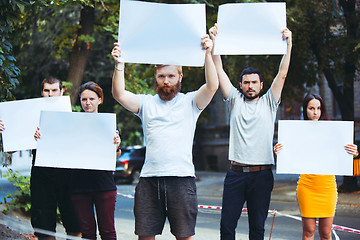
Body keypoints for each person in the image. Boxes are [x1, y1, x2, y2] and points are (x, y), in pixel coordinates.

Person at [111, 34, 218, 240]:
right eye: (161, 76)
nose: (166, 81)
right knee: (145, 236)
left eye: (170, 76)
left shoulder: (191, 103)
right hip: (149, 180)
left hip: (182, 180)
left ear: (180, 77)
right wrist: (119, 64)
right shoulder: (146, 103)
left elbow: (212, 86)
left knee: (184, 237)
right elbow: (119, 94)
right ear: (156, 78)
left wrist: (208, 53)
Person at [209, 24, 292, 240]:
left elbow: (282, 74)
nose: (250, 86)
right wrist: (214, 43)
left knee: (257, 229)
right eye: (246, 82)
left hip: (262, 175)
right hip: (235, 174)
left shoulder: (269, 102)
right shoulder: (234, 100)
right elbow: (219, 70)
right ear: (240, 85)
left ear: (262, 85)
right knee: (227, 227)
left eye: (254, 82)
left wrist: (288, 45)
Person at [274, 93, 358, 240]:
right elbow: (291, 154)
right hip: (307, 186)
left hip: (327, 187)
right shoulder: (296, 131)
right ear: (305, 110)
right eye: (311, 108)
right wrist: (280, 151)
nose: (315, 112)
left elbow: (342, 154)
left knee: (326, 233)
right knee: (308, 231)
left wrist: (355, 152)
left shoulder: (333, 130)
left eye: (318, 108)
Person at [69, 81, 121, 240]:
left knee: (108, 232)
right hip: (79, 185)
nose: (88, 103)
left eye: (91, 99)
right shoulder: (72, 124)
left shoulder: (109, 124)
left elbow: (116, 156)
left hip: (104, 185)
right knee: (87, 233)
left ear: (100, 100)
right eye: (84, 99)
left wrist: (116, 146)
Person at [31, 76, 81, 240]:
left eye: (54, 90)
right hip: (42, 176)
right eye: (47, 90)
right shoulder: (30, 116)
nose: (50, 94)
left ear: (61, 92)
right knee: (43, 227)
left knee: (74, 224)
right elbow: (12, 148)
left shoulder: (74, 118)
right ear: (42, 92)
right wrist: (6, 130)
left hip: (69, 175)